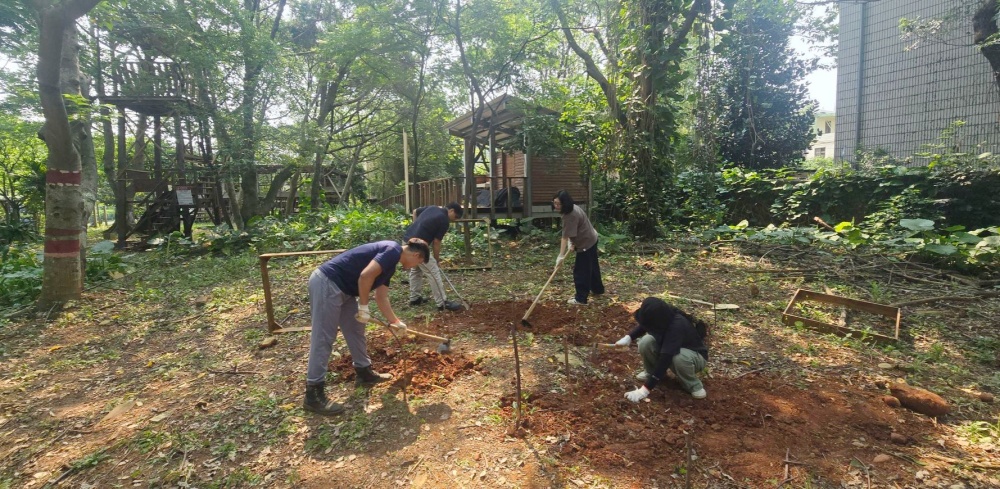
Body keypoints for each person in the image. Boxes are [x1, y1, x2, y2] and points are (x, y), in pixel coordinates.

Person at [304, 239, 430, 416]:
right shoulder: (392, 250)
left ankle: (364, 372)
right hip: (328, 282)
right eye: (418, 263)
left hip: (345, 290)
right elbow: (365, 276)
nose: (414, 267)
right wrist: (363, 306)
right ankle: (313, 393)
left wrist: (395, 321)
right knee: (324, 337)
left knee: (355, 330)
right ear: (416, 255)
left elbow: (381, 297)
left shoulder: (391, 265)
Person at [615, 297, 709, 402]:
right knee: (646, 342)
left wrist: (644, 390)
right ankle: (651, 373)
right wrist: (629, 338)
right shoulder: (663, 315)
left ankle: (693, 385)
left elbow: (665, 359)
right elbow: (646, 324)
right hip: (673, 350)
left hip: (694, 357)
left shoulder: (676, 326)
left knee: (678, 357)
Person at [404, 202, 464, 312]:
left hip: (407, 241)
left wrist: (416, 227)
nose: (454, 220)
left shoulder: (433, 208)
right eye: (455, 217)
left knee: (416, 270)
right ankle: (442, 303)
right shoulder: (444, 220)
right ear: (451, 210)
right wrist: (436, 260)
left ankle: (415, 298)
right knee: (433, 271)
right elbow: (437, 242)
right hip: (417, 247)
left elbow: (415, 211)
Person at [552, 190, 604, 305]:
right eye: (554, 203)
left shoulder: (570, 215)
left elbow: (564, 237)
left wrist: (561, 256)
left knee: (581, 271)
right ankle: (597, 289)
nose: (556, 206)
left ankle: (581, 298)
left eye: (559, 204)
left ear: (565, 203)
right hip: (592, 238)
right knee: (592, 266)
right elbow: (574, 229)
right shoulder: (573, 207)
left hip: (585, 243)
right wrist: (572, 242)